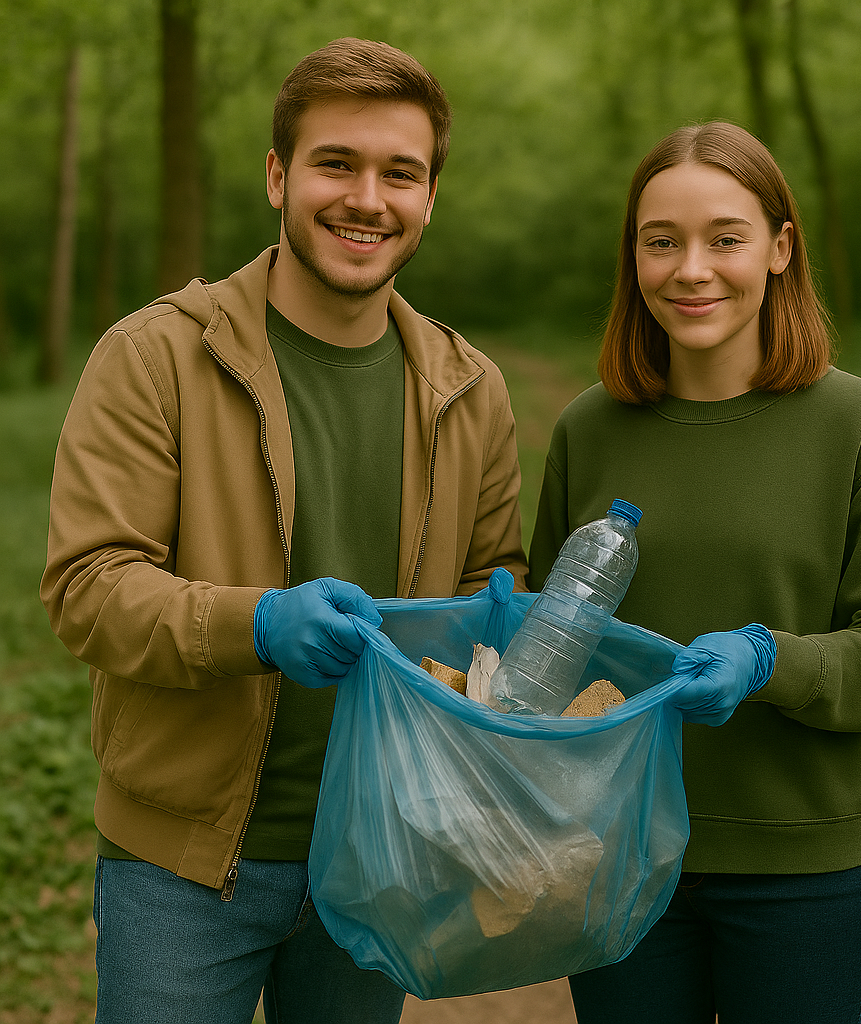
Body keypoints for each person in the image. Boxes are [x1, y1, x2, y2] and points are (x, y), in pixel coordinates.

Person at [41, 37, 527, 1024]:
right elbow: (88, 586)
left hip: (378, 854)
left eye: (400, 173)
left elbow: (494, 574)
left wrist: (497, 623)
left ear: (430, 197)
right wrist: (255, 623)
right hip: (182, 861)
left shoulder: (470, 388)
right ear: (278, 175)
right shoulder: (155, 357)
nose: (367, 198)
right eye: (335, 163)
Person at [528, 121, 861, 1024]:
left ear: (780, 249)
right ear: (633, 258)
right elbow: (554, 643)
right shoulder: (589, 431)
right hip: (618, 862)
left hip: (802, 874)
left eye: (726, 238)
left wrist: (770, 663)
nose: (691, 269)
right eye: (661, 241)